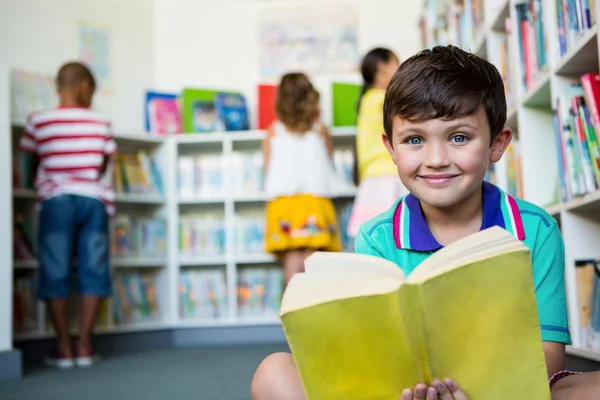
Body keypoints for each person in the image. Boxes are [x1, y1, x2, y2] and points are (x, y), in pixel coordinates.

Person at [250, 45, 580, 399]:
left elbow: (548, 355)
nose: (436, 159)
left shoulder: (536, 229)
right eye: (414, 140)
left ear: (497, 144)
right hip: (404, 393)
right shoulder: (375, 238)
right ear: (390, 147)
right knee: (274, 373)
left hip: (501, 391)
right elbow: (373, 353)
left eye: (459, 137)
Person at [19, 62, 115, 368]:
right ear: (85, 86)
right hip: (93, 201)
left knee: (55, 270)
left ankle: (63, 347)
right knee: (94, 270)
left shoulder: (38, 121)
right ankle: (85, 346)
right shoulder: (101, 122)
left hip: (55, 200)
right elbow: (103, 166)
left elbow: (28, 164)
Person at [263, 72, 341, 285]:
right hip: (314, 202)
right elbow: (329, 162)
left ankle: (291, 310)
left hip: (284, 204)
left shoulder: (273, 133)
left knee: (292, 259)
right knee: (313, 261)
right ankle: (311, 311)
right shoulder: (321, 131)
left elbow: (268, 168)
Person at [347, 47, 407, 243]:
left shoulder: (367, 99)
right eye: (396, 63)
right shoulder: (381, 100)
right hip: (387, 176)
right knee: (395, 233)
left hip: (376, 177)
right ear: (383, 67)